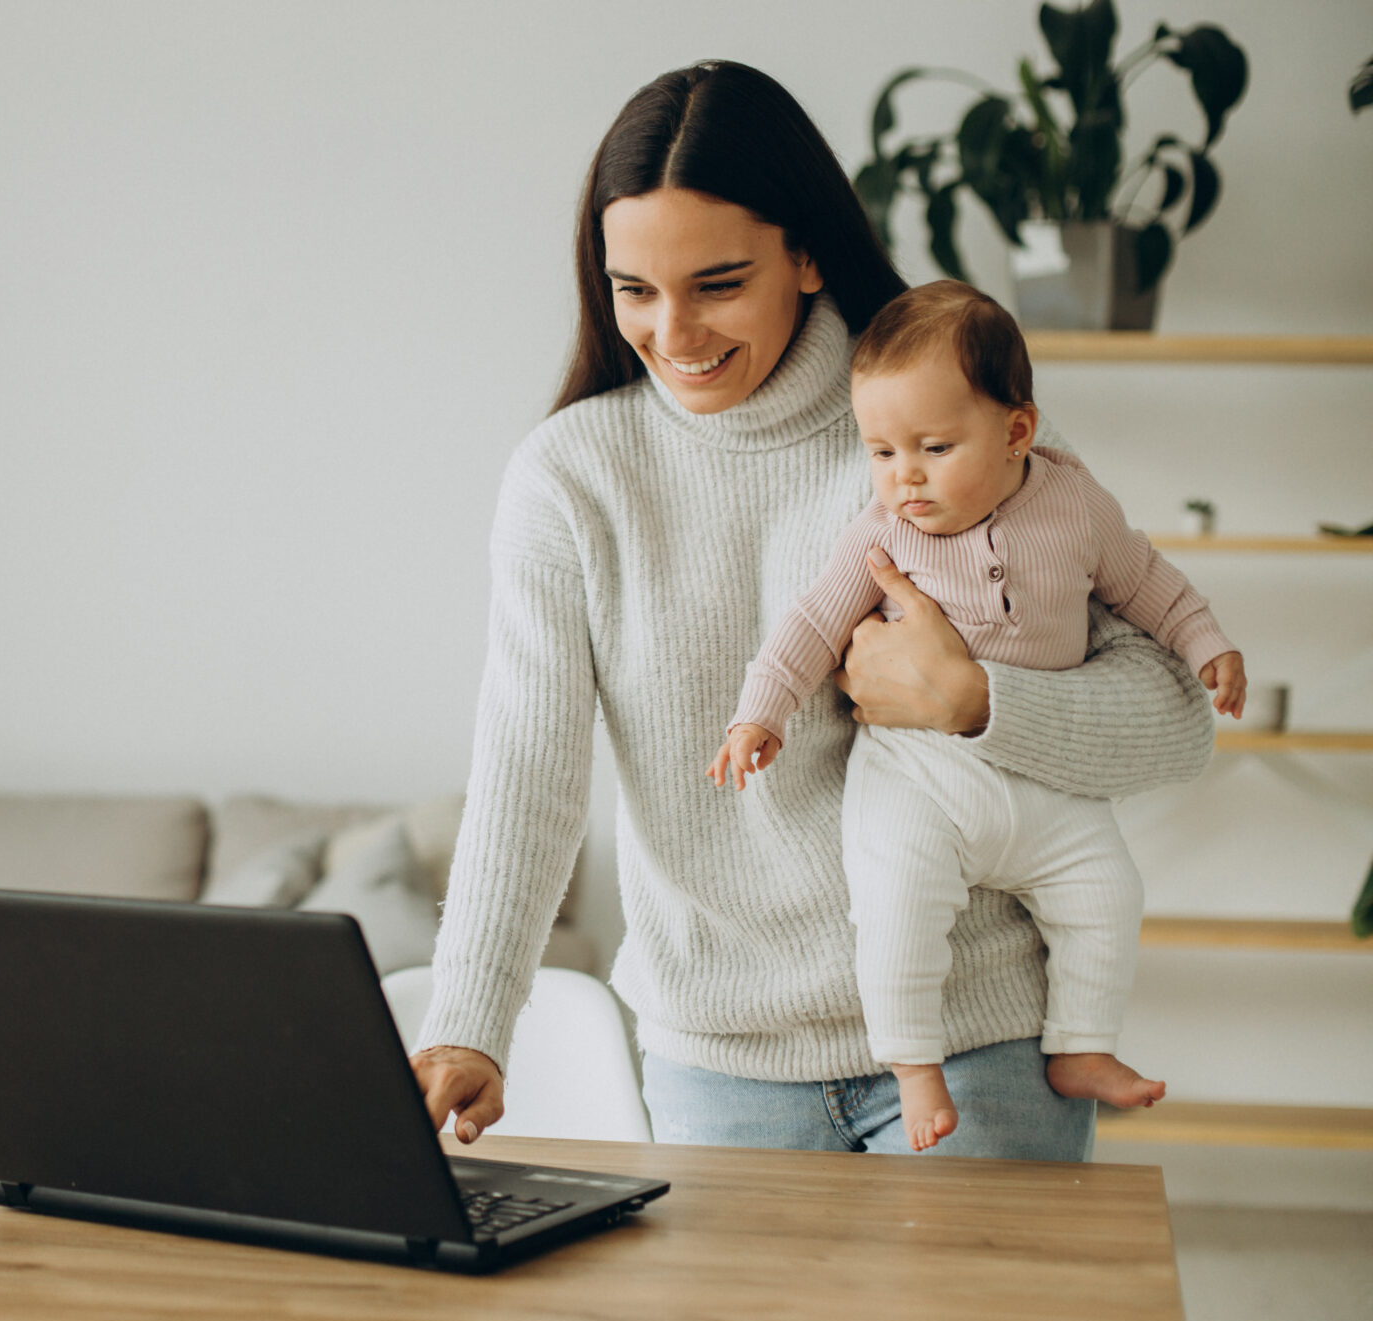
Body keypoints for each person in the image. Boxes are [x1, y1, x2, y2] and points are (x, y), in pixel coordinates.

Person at [408, 61, 1213, 1160]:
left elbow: (1176, 719)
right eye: (632, 290)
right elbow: (525, 774)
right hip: (714, 1061)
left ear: (804, 254)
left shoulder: (943, 431)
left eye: (717, 282)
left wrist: (975, 700)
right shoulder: (569, 479)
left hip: (973, 1041)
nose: (673, 333)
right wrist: (468, 1022)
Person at [708, 280, 1244, 1151]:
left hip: (1043, 774)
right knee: (895, 905)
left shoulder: (1076, 506)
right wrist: (758, 713)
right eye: (880, 451)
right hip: (918, 775)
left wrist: (1206, 641)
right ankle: (914, 1065)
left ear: (1017, 432)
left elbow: (1149, 584)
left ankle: (1081, 1045)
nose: (903, 476)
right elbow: (809, 624)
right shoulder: (883, 530)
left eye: (932, 447)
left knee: (1108, 891)